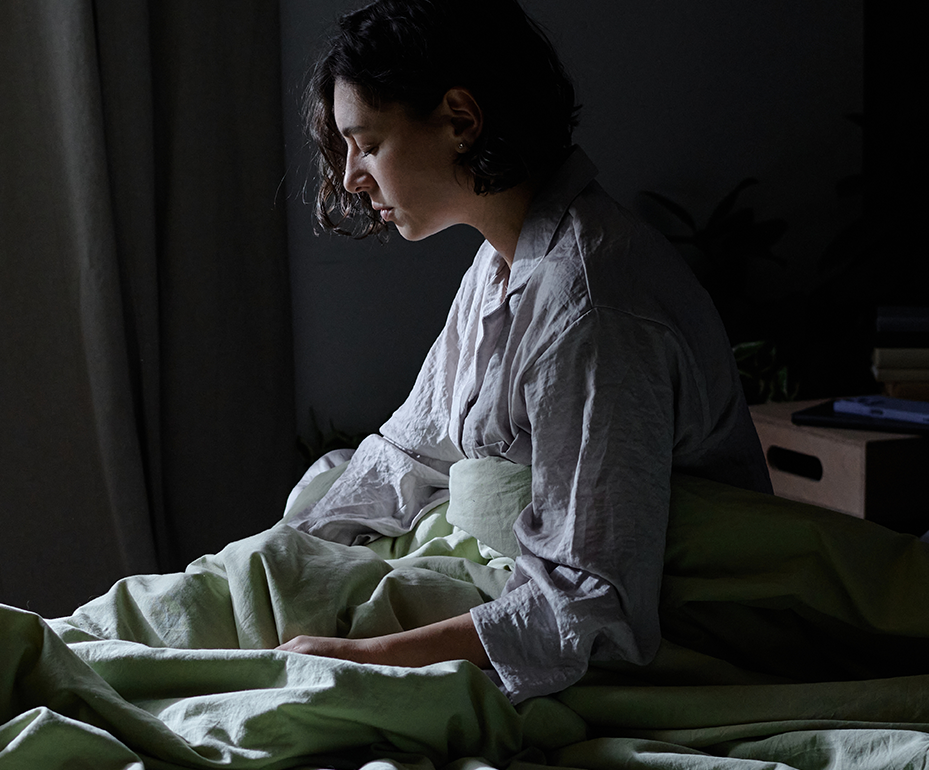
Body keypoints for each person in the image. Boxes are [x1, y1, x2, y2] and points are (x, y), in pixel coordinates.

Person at [275, 0, 771, 702]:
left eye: (368, 143)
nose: (353, 176)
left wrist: (361, 656)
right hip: (511, 579)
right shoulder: (499, 266)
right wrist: (288, 549)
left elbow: (585, 603)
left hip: (675, 627)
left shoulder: (590, 306)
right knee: (267, 570)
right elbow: (409, 453)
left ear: (460, 120)